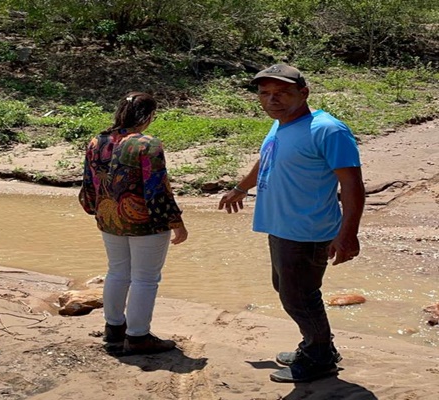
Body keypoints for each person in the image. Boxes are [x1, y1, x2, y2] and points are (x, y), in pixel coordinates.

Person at [218, 64, 365, 383]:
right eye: (265, 93)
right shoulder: (282, 124)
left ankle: (319, 358)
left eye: (282, 93)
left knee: (299, 296)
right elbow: (267, 158)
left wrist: (348, 234)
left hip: (308, 230)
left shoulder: (328, 130)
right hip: (281, 227)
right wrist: (242, 187)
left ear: (304, 93)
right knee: (289, 290)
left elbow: (352, 184)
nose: (272, 100)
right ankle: (317, 345)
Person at [79, 92, 188, 355]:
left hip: (108, 217)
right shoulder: (147, 144)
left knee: (117, 272)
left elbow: (88, 184)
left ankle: (114, 328)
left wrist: (96, 210)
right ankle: (138, 337)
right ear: (149, 116)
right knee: (146, 279)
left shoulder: (98, 141)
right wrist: (176, 222)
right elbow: (157, 188)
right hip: (144, 221)